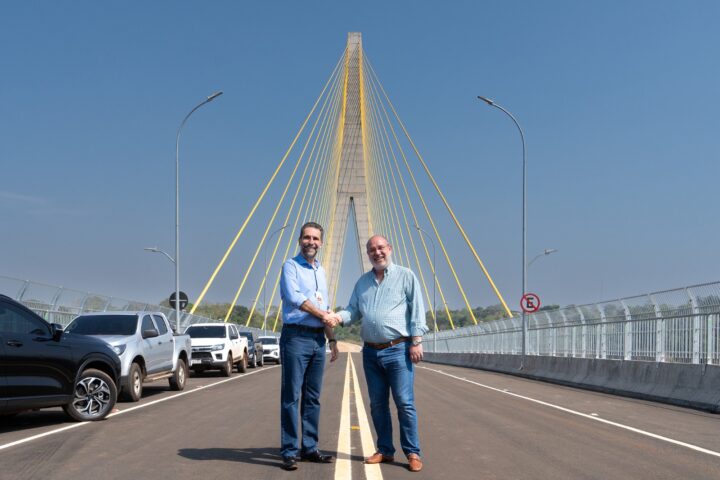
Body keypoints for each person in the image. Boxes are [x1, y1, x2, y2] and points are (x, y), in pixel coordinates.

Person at [335, 234, 428, 473]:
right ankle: (385, 450)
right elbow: (353, 311)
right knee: (377, 404)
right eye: (371, 250)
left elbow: (417, 309)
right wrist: (337, 317)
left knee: (404, 403)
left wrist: (416, 341)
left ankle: (413, 452)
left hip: (398, 349)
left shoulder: (406, 276)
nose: (377, 253)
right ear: (368, 255)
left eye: (380, 248)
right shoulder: (362, 282)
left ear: (390, 248)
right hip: (370, 352)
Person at [278, 221, 340, 471]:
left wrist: (332, 338)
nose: (311, 242)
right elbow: (294, 298)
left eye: (315, 239)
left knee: (313, 398)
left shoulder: (321, 271)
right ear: (299, 240)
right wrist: (323, 316)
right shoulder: (290, 266)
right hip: (295, 337)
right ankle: (290, 450)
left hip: (317, 339)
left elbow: (323, 309)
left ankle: (310, 447)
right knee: (291, 396)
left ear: (321, 243)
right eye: (307, 238)